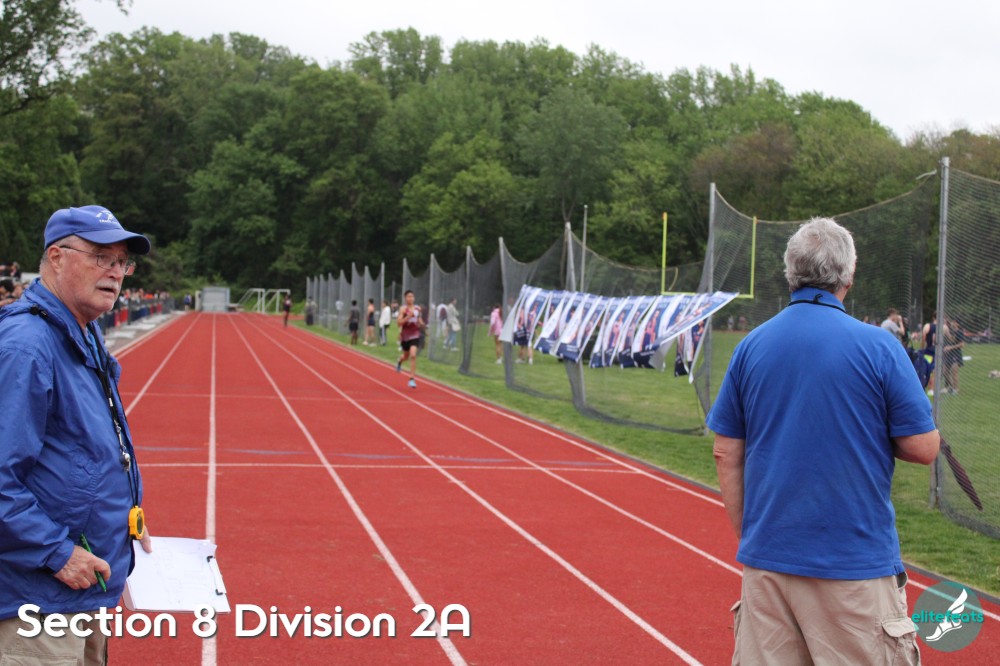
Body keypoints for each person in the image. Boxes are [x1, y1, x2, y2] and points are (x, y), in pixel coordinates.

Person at [708, 217, 938, 666]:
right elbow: (922, 448)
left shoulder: (751, 346)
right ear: (849, 276)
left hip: (768, 562)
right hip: (852, 566)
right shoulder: (879, 347)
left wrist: (752, 536)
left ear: (790, 273)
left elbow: (725, 451)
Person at [0, 205, 154, 663]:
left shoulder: (81, 333)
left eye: (122, 261)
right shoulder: (27, 345)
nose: (116, 272)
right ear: (56, 257)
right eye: (101, 257)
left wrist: (124, 518)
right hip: (37, 597)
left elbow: (81, 456)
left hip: (80, 591)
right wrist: (57, 553)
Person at [396, 290, 424, 388]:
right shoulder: (403, 309)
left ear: (414, 298)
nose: (410, 298)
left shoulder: (417, 309)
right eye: (408, 296)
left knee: (413, 355)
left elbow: (419, 320)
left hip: (415, 334)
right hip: (405, 336)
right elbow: (399, 323)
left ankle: (411, 379)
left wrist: (422, 324)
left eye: (412, 296)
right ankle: (399, 361)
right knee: (405, 356)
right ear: (405, 298)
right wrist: (408, 316)